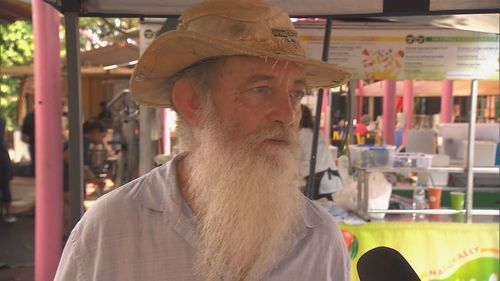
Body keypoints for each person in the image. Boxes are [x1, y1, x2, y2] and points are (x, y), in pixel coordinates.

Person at [55, 0, 351, 280]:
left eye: (296, 94)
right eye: (261, 89)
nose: (287, 115)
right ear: (194, 101)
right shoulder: (110, 231)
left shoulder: (319, 237)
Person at [299, 105, 342, 201]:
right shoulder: (317, 133)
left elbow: (294, 160)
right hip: (331, 177)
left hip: (315, 181)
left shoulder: (301, 135)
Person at [0, 118, 16, 223]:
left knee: (5, 188)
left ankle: (7, 213)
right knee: (5, 188)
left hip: (3, 161)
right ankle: (8, 214)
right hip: (3, 161)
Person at [21, 110, 35, 176]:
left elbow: (24, 130)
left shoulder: (29, 116)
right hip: (34, 141)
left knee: (34, 160)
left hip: (32, 141)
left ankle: (34, 173)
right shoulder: (30, 117)